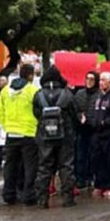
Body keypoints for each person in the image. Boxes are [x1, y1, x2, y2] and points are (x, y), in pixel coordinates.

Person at [33, 66, 78, 208]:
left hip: (44, 136)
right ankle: (68, 198)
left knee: (44, 167)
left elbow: (36, 113)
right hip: (65, 136)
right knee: (66, 166)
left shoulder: (39, 95)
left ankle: (42, 200)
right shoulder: (67, 94)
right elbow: (74, 114)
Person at [0, 65, 39, 206]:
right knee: (30, 166)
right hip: (29, 133)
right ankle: (29, 195)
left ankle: (9, 194)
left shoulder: (5, 91)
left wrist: (7, 126)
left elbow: (0, 111)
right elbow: (39, 111)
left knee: (10, 165)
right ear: (30, 75)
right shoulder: (32, 90)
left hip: (11, 133)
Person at [74, 71, 100, 189]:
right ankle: (81, 178)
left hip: (94, 129)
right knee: (80, 155)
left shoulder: (100, 94)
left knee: (94, 155)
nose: (89, 81)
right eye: (87, 78)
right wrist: (80, 116)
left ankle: (91, 176)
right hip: (81, 129)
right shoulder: (79, 93)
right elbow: (74, 109)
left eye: (92, 79)